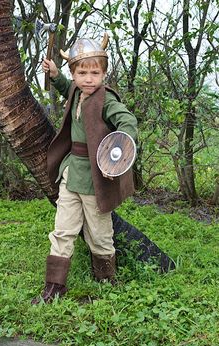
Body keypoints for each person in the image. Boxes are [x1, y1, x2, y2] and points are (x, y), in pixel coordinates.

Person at [32, 34, 138, 304]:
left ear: (103, 74)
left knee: (100, 233)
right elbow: (67, 87)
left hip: (96, 179)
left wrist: (119, 148)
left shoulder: (107, 100)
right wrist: (55, 75)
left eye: (95, 73)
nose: (88, 78)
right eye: (82, 73)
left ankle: (106, 281)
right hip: (71, 176)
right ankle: (54, 286)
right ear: (75, 73)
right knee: (63, 230)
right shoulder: (77, 91)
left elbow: (127, 121)